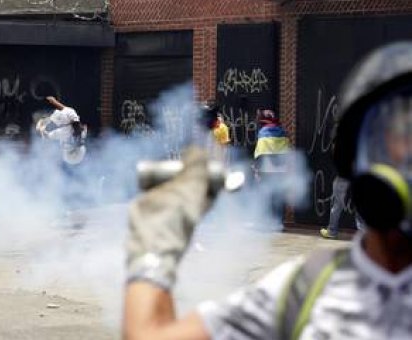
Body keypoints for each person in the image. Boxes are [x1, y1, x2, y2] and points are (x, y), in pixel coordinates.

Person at [123, 42, 412, 339]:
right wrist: (156, 250)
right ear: (353, 156)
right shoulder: (302, 290)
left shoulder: (301, 288)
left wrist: (152, 247)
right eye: (395, 136)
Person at [253, 109, 291, 225]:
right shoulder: (283, 133)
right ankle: (278, 223)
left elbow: (260, 153)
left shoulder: (262, 133)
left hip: (266, 170)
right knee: (278, 197)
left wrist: (256, 170)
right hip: (281, 170)